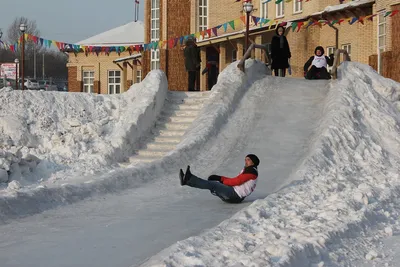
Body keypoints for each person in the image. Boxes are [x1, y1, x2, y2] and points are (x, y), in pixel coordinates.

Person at [179, 154, 260, 203]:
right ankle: (187, 180)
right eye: (245, 159)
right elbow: (235, 180)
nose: (246, 161)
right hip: (234, 194)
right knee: (216, 184)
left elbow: (237, 181)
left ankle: (188, 179)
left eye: (248, 160)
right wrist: (220, 178)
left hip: (234, 196)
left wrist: (221, 180)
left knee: (214, 185)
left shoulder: (251, 171)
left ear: (253, 162)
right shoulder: (249, 170)